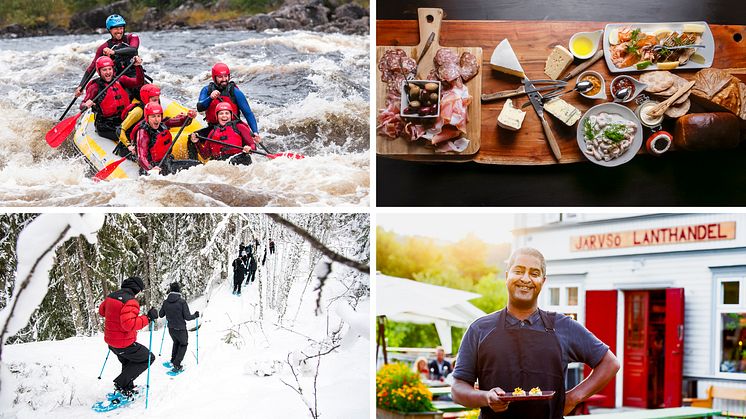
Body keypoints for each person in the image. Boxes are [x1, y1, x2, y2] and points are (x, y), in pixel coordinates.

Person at [451, 247, 620, 419]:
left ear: (543, 281)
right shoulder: (480, 329)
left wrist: (572, 398)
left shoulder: (563, 326)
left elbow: (610, 363)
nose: (525, 279)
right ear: (507, 276)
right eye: (518, 271)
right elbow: (457, 388)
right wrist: (485, 397)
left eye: (534, 273)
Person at [97, 276, 157, 402]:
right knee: (148, 358)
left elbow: (102, 311)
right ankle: (121, 384)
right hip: (123, 343)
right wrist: (148, 318)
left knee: (128, 362)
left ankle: (126, 387)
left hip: (111, 342)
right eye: (140, 290)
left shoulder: (112, 296)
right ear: (137, 289)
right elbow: (128, 324)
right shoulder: (131, 301)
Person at [76, 14, 144, 100]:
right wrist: (81, 86)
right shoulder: (104, 47)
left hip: (136, 75)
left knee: (147, 91)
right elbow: (92, 68)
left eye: (121, 28)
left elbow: (133, 49)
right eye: (116, 28)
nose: (119, 31)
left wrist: (114, 52)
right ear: (109, 30)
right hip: (119, 80)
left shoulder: (132, 38)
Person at [81, 55, 144, 143]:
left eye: (109, 69)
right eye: (104, 70)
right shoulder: (95, 87)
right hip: (105, 125)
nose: (108, 72)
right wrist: (86, 104)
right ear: (99, 71)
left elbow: (139, 82)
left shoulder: (120, 79)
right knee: (128, 135)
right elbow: (82, 105)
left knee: (142, 130)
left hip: (123, 119)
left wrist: (138, 66)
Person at [196, 63, 261, 141]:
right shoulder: (207, 90)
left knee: (250, 145)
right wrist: (210, 98)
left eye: (226, 76)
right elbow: (200, 108)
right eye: (220, 77)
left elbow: (248, 113)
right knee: (193, 138)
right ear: (214, 77)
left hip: (233, 128)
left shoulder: (235, 92)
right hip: (213, 128)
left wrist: (255, 131)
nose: (224, 79)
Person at [134, 102, 198, 175]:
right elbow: (141, 157)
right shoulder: (143, 133)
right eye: (153, 117)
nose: (156, 120)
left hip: (166, 162)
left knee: (198, 165)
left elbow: (181, 122)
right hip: (152, 168)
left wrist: (189, 117)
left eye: (158, 116)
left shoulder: (163, 124)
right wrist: (150, 169)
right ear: (147, 117)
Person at [189, 102, 256, 165]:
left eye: (227, 113)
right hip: (220, 163)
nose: (224, 116)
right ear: (217, 116)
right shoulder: (213, 132)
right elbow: (205, 155)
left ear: (231, 115)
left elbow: (253, 145)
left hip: (238, 159)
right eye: (221, 113)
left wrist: (249, 148)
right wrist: (196, 142)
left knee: (234, 161)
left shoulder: (239, 127)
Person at [158, 282, 199, 374]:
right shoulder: (181, 302)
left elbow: (161, 315)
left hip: (171, 329)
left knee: (176, 343)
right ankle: (177, 364)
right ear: (178, 290)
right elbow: (187, 317)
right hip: (180, 329)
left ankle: (173, 360)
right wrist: (195, 316)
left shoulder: (166, 301)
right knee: (183, 345)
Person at [116, 83, 161, 155]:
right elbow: (119, 129)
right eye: (154, 100)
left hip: (144, 141)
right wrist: (129, 146)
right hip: (130, 146)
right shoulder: (138, 111)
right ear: (146, 99)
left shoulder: (155, 109)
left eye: (158, 100)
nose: (157, 103)